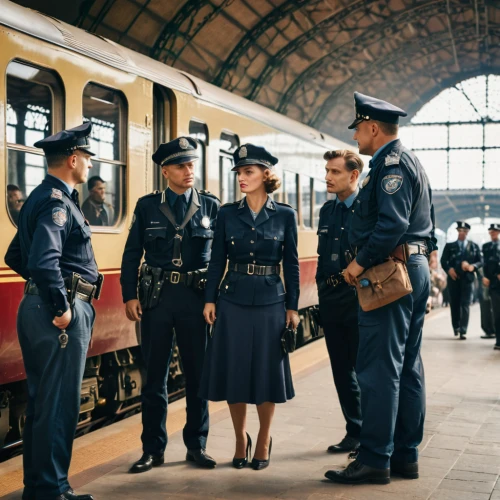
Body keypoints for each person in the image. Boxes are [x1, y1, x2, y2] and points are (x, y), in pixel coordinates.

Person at [325, 92, 435, 485]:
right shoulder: (411, 163)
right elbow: (427, 223)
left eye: (358, 129)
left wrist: (357, 263)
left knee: (377, 370)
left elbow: (391, 225)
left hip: (389, 272)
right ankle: (405, 456)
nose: (355, 136)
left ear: (372, 127)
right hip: (412, 267)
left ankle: (374, 459)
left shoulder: (390, 165)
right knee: (408, 368)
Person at [4, 122, 102, 500]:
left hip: (37, 307)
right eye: (88, 158)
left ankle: (43, 488)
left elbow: (15, 256)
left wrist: (40, 291)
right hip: (58, 313)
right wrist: (61, 305)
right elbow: (45, 261)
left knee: (45, 402)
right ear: (73, 159)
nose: (90, 165)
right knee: (58, 404)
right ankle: (52, 491)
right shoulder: (58, 203)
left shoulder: (40, 198)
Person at [121, 137, 219, 473]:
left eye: (192, 164)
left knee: (198, 377)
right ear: (166, 171)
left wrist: (214, 299)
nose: (189, 170)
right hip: (158, 301)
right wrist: (129, 295)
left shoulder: (210, 206)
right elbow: (132, 253)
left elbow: (220, 259)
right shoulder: (147, 206)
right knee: (154, 379)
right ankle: (153, 450)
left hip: (195, 301)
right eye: (181, 165)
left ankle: (197, 445)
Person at [199, 144, 300, 470]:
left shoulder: (285, 214)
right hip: (233, 300)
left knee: (267, 373)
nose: (241, 178)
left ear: (265, 175)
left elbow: (292, 263)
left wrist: (293, 307)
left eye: (248, 172)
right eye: (239, 173)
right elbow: (217, 260)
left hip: (272, 301)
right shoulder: (227, 213)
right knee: (236, 372)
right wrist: (210, 299)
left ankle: (263, 438)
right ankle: (240, 438)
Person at [316, 150, 363, 455]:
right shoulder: (326, 211)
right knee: (341, 370)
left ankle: (371, 435)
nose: (328, 177)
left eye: (335, 172)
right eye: (327, 171)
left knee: (364, 370)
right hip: (331, 297)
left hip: (359, 297)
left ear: (353, 175)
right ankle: (354, 432)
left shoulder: (366, 209)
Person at [440, 222, 482, 339]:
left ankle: (463, 330)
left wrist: (473, 266)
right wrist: (449, 270)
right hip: (454, 279)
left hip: (467, 279)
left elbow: (480, 261)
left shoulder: (473, 246)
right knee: (455, 304)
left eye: (464, 231)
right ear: (457, 231)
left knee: (465, 304)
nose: (462, 233)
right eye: (460, 230)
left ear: (467, 232)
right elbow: (443, 261)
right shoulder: (449, 246)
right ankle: (456, 327)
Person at [482, 223, 500, 348]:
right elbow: (484, 263)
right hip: (494, 284)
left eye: (495, 231)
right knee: (497, 313)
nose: (493, 233)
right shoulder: (486, 247)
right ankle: (499, 341)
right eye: (491, 231)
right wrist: (484, 276)